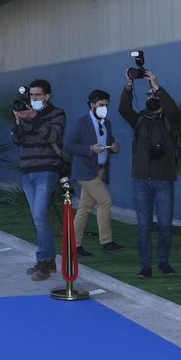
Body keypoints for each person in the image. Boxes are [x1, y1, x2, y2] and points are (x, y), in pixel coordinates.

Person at [118, 66, 181, 278]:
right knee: (143, 227)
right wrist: (129, 84)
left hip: (164, 180)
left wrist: (157, 85)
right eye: (150, 95)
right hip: (141, 181)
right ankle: (145, 266)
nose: (152, 98)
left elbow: (173, 110)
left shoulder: (170, 121)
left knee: (164, 225)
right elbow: (124, 108)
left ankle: (164, 262)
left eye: (154, 95)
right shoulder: (139, 120)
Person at [11, 78, 67, 281]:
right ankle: (49, 260)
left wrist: (34, 117)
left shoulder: (57, 113)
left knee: (40, 216)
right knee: (39, 218)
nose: (33, 98)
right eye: (31, 94)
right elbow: (17, 140)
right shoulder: (26, 114)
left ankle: (44, 260)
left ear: (47, 96)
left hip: (47, 169)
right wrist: (19, 120)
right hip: (28, 170)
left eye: (37, 95)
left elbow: (53, 135)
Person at [64, 89, 122, 257]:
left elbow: (109, 140)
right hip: (86, 172)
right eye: (101, 105)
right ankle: (107, 241)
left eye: (106, 105)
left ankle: (73, 245)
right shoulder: (81, 123)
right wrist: (89, 149)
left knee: (85, 208)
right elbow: (68, 145)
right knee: (105, 201)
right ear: (92, 105)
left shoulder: (107, 123)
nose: (104, 108)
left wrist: (114, 146)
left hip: (100, 170)